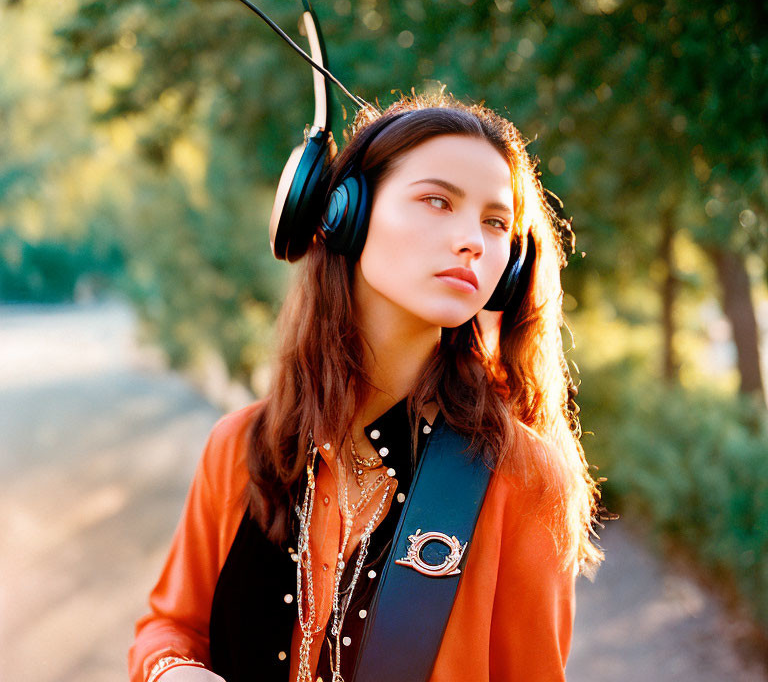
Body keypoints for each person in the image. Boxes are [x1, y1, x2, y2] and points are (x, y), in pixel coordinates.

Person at [128, 91, 604, 682]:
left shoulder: (519, 476)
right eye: (437, 200)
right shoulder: (240, 447)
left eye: (495, 222)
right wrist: (172, 672)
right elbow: (169, 628)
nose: (473, 241)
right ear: (342, 213)